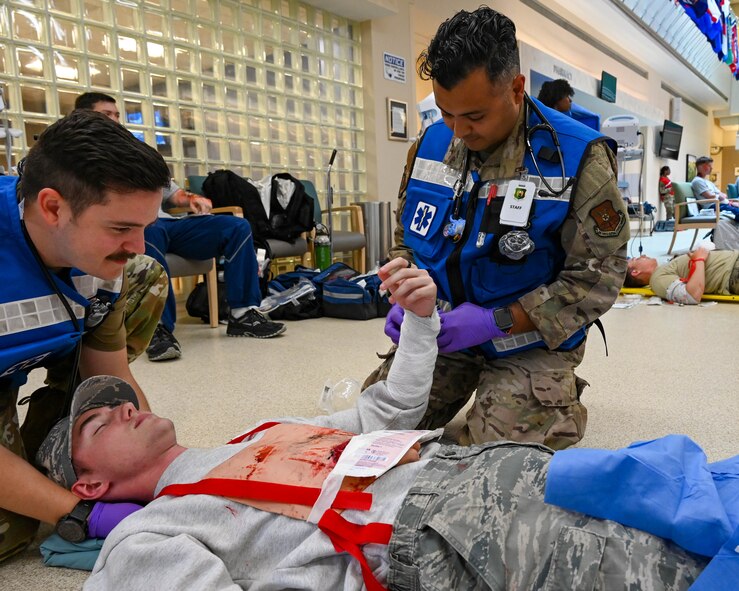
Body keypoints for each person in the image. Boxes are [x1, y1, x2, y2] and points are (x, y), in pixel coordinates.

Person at [35, 261, 730, 590]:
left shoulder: (256, 433)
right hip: (432, 533)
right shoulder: (149, 533)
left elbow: (386, 412)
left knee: (676, 485)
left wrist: (422, 317)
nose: (124, 403)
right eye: (97, 420)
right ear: (92, 483)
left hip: (473, 467)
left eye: (113, 397)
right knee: (662, 568)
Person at [364, 7, 629, 449]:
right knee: (373, 432)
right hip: (442, 330)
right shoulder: (430, 145)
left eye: (474, 115)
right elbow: (406, 243)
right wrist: (402, 290)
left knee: (495, 462)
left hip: (528, 341)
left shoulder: (576, 157)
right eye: (446, 113)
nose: (459, 130)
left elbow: (598, 277)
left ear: (516, 88)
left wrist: (497, 320)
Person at [0, 111, 172, 563]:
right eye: (120, 228)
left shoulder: (104, 265)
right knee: (9, 533)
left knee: (142, 274)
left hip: (34, 337)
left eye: (144, 227)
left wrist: (156, 468)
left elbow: (111, 373)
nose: (137, 244)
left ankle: (57, 433)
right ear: (53, 207)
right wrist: (81, 513)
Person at [75, 93, 285, 362]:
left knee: (236, 227)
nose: (115, 121)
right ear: (84, 117)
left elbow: (172, 195)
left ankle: (242, 314)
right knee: (147, 230)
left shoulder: (136, 154)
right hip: (140, 228)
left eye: (117, 115)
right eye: (107, 115)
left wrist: (193, 199)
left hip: (171, 226)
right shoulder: (83, 160)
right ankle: (157, 330)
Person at [625, 248, 739, 303]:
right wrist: (699, 259)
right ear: (635, 272)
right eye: (637, 259)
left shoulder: (663, 268)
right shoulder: (657, 279)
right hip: (732, 272)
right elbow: (692, 296)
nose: (643, 255)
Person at [691, 155, 739, 221]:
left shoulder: (708, 182)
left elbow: (723, 195)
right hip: (713, 207)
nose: (711, 168)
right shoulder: (697, 181)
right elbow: (709, 196)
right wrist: (719, 196)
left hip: (721, 204)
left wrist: (730, 202)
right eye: (709, 166)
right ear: (702, 167)